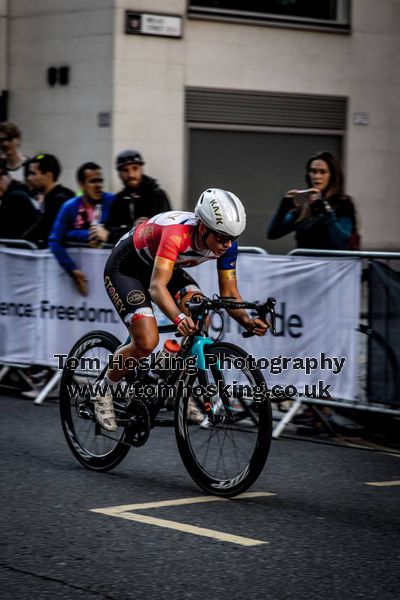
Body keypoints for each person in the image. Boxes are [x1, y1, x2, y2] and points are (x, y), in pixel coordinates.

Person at [94, 188, 269, 431]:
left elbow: (229, 293)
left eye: (233, 237)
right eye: (221, 237)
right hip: (127, 268)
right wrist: (177, 318)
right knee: (146, 341)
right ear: (203, 228)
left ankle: (171, 383)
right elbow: (156, 287)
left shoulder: (226, 243)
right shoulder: (177, 234)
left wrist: (247, 322)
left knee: (200, 315)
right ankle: (104, 389)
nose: (227, 244)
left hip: (165, 267)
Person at [267, 151, 359, 250]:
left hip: (332, 264)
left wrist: (327, 213)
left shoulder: (343, 203)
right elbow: (273, 234)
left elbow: (342, 241)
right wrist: (283, 209)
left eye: (323, 172)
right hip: (305, 264)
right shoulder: (304, 205)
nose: (316, 176)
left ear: (332, 176)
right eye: (313, 171)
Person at [48, 162, 114, 295]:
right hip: (81, 277)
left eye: (100, 181)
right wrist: (72, 270)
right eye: (92, 181)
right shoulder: (69, 207)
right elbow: (54, 240)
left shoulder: (112, 201)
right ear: (81, 184)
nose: (98, 186)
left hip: (110, 276)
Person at [103, 149, 171, 244]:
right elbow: (109, 230)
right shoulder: (118, 200)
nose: (131, 174)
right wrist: (133, 229)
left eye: (135, 168)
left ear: (141, 170)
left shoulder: (157, 196)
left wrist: (116, 234)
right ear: (119, 174)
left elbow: (166, 229)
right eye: (125, 170)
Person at [23, 154, 75, 248]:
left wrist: (19, 243)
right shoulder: (52, 198)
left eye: (33, 174)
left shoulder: (59, 200)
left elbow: (43, 229)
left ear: (48, 176)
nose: (28, 178)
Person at [0, 159, 39, 239]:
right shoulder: (19, 191)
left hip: (20, 245)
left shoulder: (14, 196)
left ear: (5, 178)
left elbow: (5, 229)